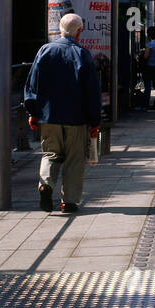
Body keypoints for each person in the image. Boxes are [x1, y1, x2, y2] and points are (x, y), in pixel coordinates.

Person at [24, 12, 101, 214]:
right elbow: (92, 91)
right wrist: (95, 120)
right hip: (76, 116)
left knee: (50, 153)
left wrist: (33, 112)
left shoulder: (45, 51)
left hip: (48, 115)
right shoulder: (82, 54)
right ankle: (69, 202)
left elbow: (32, 84)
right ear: (79, 32)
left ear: (60, 30)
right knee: (74, 159)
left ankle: (45, 184)